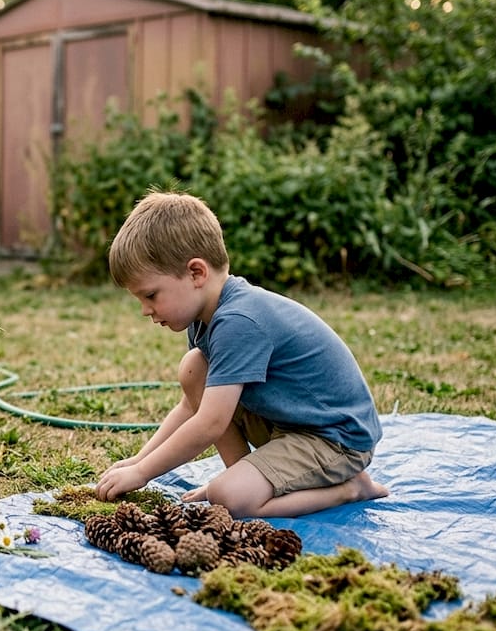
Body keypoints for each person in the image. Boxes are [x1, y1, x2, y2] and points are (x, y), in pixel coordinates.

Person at [95, 192, 389, 518]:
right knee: (195, 367)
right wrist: (139, 460)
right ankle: (244, 477)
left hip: (335, 439)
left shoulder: (238, 322)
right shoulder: (205, 318)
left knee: (230, 499)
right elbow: (191, 408)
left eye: (150, 295)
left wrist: (143, 473)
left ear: (196, 273)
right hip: (290, 421)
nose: (144, 310)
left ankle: (350, 489)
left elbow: (210, 423)